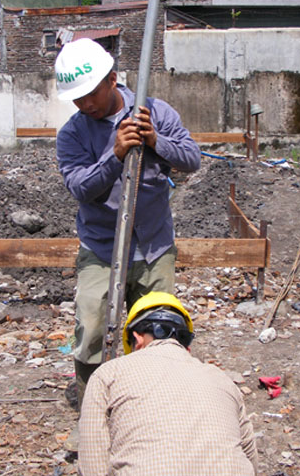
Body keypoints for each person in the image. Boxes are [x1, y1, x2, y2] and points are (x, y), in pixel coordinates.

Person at [48, 292, 258, 476]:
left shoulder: (109, 374)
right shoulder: (221, 379)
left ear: (136, 338)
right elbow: (251, 467)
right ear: (186, 342)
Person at [55, 39, 201, 407]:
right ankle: (93, 410)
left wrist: (155, 140)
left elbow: (192, 159)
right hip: (102, 248)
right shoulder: (72, 134)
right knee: (91, 330)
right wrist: (115, 154)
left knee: (159, 331)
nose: (85, 104)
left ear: (112, 80)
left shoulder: (154, 113)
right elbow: (80, 188)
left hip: (153, 245)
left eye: (90, 94)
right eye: (77, 99)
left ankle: (150, 407)